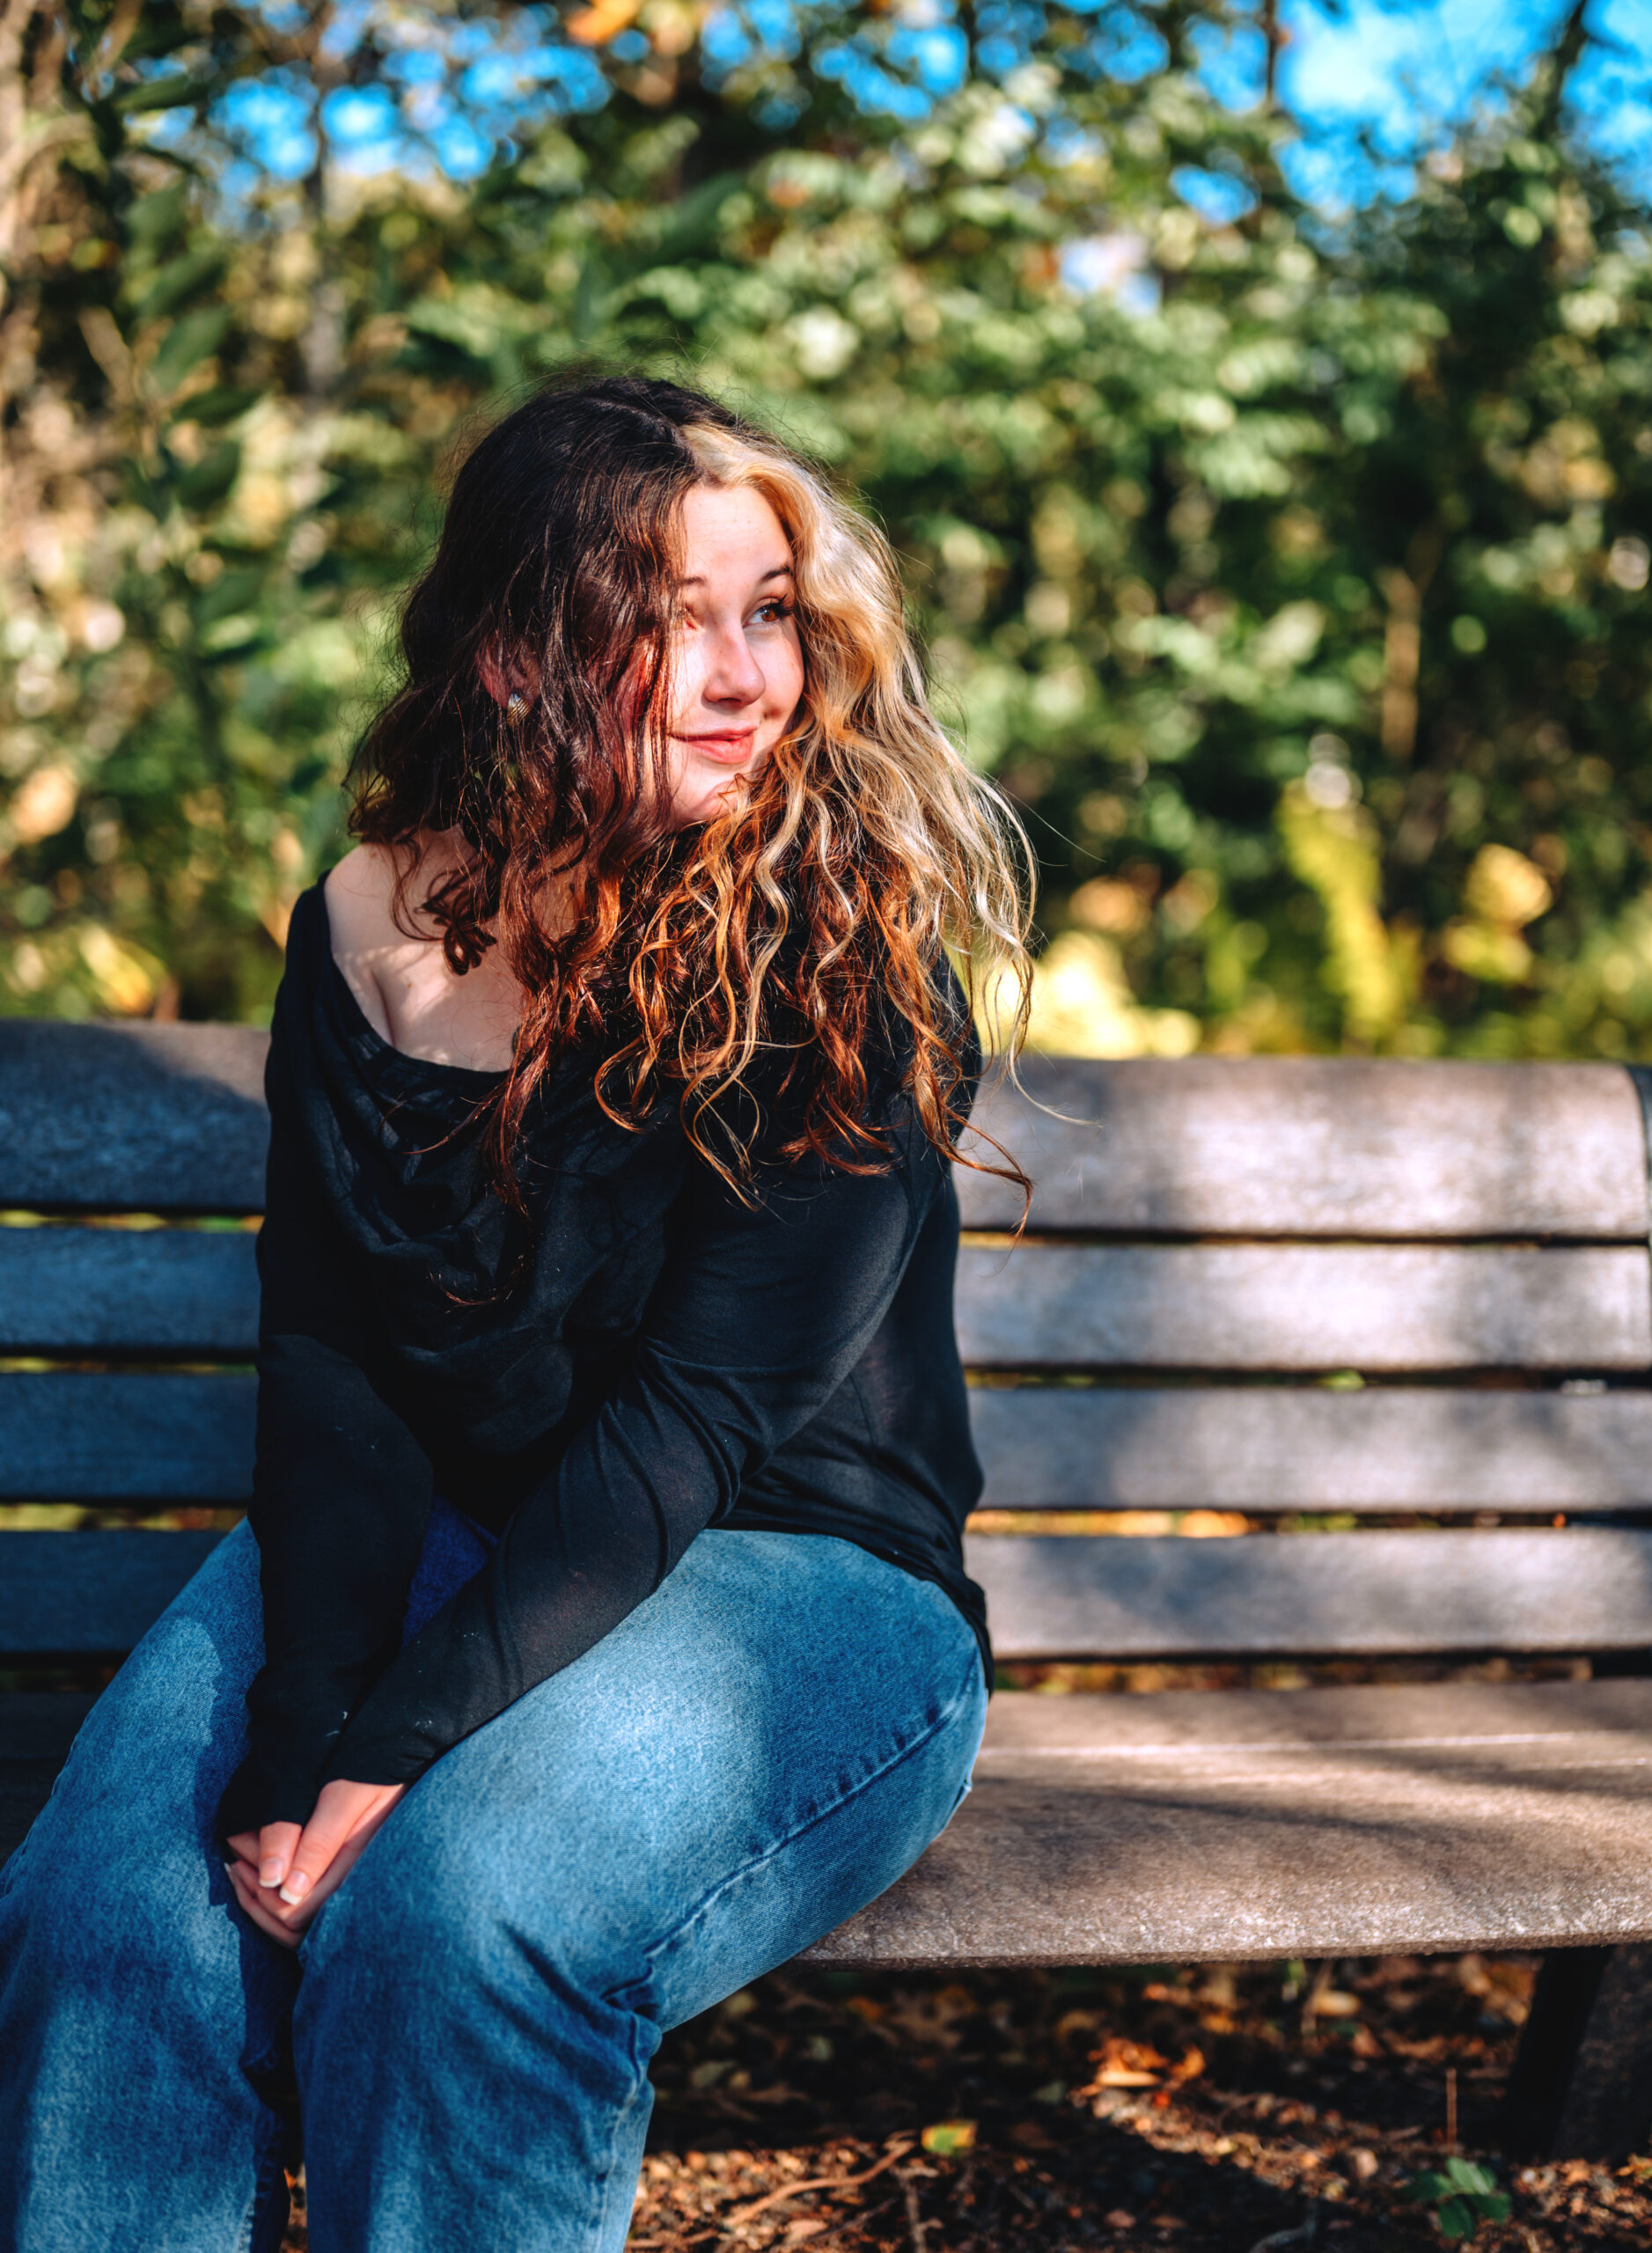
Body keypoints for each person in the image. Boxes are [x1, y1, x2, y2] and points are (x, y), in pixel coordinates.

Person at [0, 374, 1034, 2253]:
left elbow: (688, 1430)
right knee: (103, 1916)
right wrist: (305, 1717)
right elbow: (334, 1352)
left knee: (462, 1914)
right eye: (673, 617)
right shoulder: (373, 919)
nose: (748, 674)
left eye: (770, 608)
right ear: (509, 656)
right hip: (446, 1543)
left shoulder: (847, 946)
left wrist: (384, 1759)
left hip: (803, 1576)